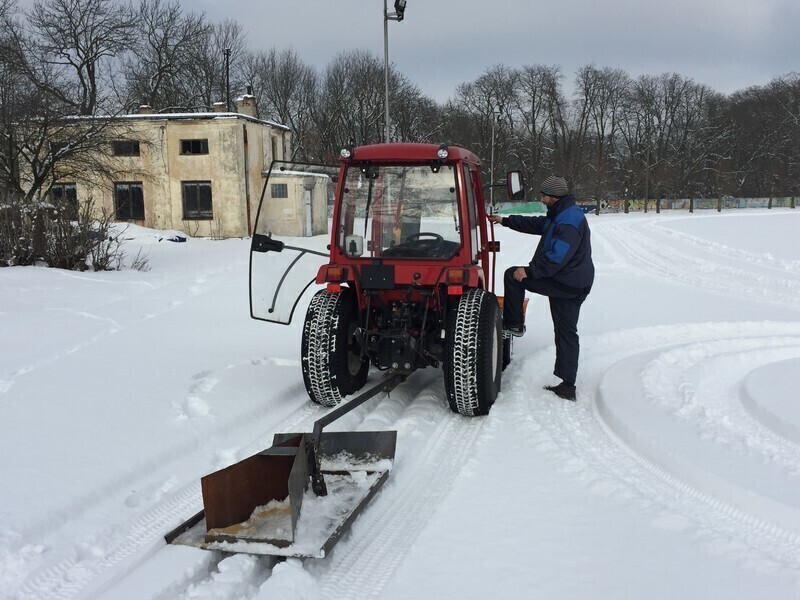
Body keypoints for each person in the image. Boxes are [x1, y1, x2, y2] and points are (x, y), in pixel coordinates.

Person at [488, 175, 594, 402]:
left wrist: (530, 271)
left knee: (514, 276)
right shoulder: (561, 214)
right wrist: (505, 221)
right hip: (567, 281)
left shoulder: (568, 222)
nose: (541, 198)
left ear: (555, 196)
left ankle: (513, 324)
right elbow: (537, 224)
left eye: (544, 195)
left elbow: (557, 257)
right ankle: (567, 385)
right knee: (565, 332)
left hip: (567, 284)